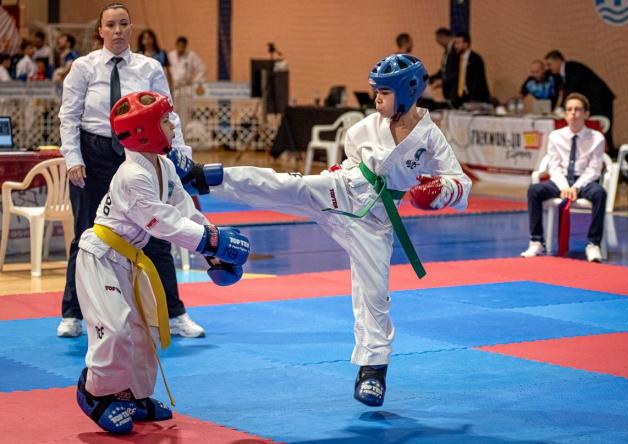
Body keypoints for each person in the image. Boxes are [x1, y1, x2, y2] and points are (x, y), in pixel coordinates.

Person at [214, 54, 471, 407]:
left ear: (408, 92)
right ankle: (208, 178)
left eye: (383, 92)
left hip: (376, 220)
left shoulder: (430, 138)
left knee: (374, 295)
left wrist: (442, 192)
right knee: (284, 186)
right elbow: (351, 155)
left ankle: (372, 373)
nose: (376, 99)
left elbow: (461, 183)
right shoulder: (367, 125)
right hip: (343, 190)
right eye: (375, 92)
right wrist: (342, 170)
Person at [75, 90, 250, 434]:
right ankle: (95, 393)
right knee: (115, 330)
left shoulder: (163, 165)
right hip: (100, 258)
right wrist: (212, 241)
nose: (172, 125)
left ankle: (135, 396)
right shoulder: (131, 175)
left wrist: (211, 251)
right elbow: (161, 222)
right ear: (144, 131)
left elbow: (183, 210)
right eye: (165, 121)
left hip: (129, 259)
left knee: (143, 333)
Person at [58, 2, 206, 339]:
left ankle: (175, 313)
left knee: (157, 232)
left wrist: (180, 157)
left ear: (131, 28)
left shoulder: (149, 67)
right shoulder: (83, 67)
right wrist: (73, 159)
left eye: (124, 24)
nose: (118, 30)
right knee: (86, 235)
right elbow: (68, 117)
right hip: (93, 156)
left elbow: (169, 116)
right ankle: (72, 314)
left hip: (140, 156)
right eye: (111, 25)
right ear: (100, 31)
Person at [521, 93, 606, 263]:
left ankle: (593, 244)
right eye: (569, 110)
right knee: (534, 190)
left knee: (600, 194)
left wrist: (576, 187)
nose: (573, 113)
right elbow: (553, 166)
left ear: (586, 114)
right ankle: (537, 241)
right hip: (561, 182)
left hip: (584, 182)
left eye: (577, 109)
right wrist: (564, 187)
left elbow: (594, 170)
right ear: (565, 114)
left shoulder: (597, 138)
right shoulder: (555, 136)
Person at [544, 50, 615, 151]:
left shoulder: (572, 68)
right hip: (592, 101)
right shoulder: (560, 75)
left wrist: (562, 108)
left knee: (602, 129)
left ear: (558, 61)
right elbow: (562, 92)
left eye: (550, 64)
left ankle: (607, 156)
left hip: (600, 99)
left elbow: (571, 90)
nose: (549, 68)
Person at [448, 32, 490, 107]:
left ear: (466, 44)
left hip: (475, 99)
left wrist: (472, 100)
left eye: (458, 43)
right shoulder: (455, 59)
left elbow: (477, 82)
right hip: (459, 98)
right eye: (455, 44)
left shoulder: (476, 59)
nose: (455, 46)